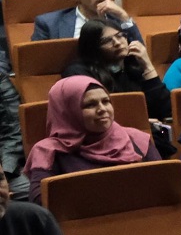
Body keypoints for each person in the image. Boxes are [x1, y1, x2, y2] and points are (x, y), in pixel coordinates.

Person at [25, 76, 160, 202]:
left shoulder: (136, 138)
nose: (102, 109)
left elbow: (163, 183)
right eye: (90, 105)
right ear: (68, 112)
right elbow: (42, 201)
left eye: (106, 101)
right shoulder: (48, 151)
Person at [66, 19, 171, 122]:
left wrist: (148, 66)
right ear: (93, 48)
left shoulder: (134, 66)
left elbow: (167, 110)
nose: (117, 43)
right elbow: (92, 115)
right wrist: (139, 122)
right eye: (107, 41)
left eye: (120, 36)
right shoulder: (80, 74)